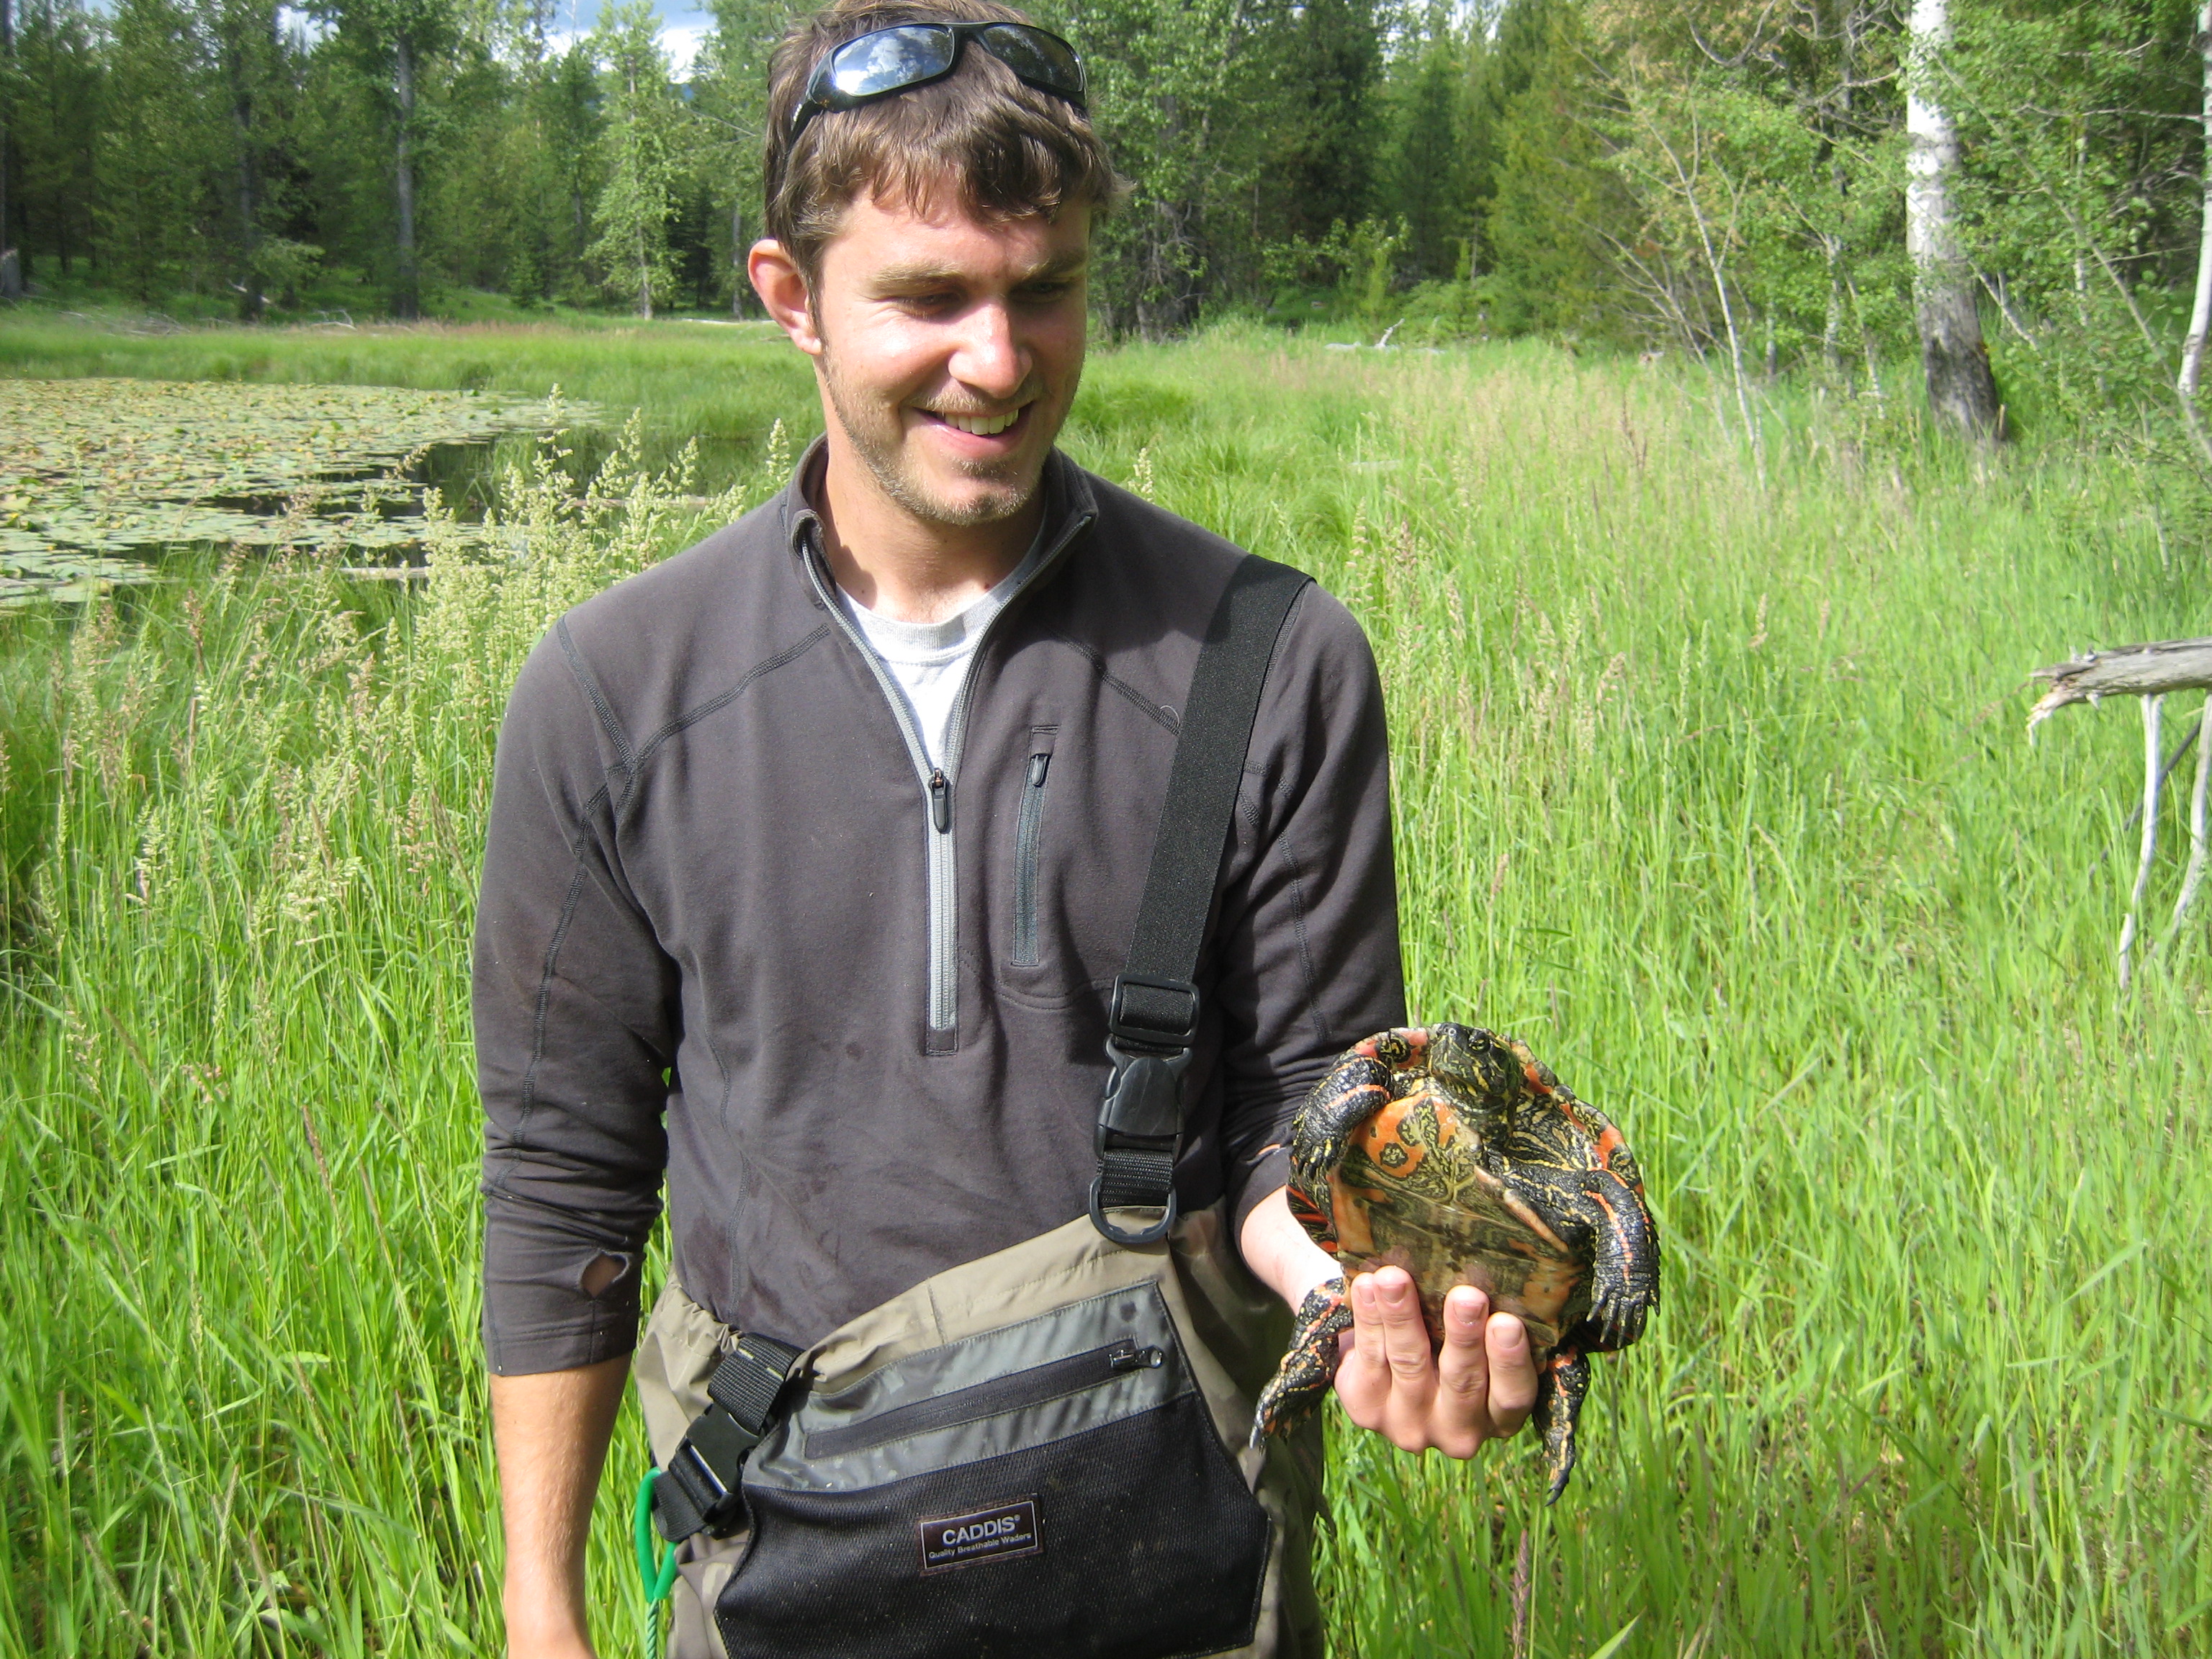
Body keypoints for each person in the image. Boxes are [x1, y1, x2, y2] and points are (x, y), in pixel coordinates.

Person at [475, 2, 1538, 1653]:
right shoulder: (617, 693)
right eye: (929, 298)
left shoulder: (1268, 660)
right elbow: (564, 1186)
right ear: (791, 302)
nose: (999, 357)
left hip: (1172, 1548)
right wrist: (544, 1616)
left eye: (1043, 289)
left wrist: (1369, 1288)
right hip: (783, 1547)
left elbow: (1298, 1123)